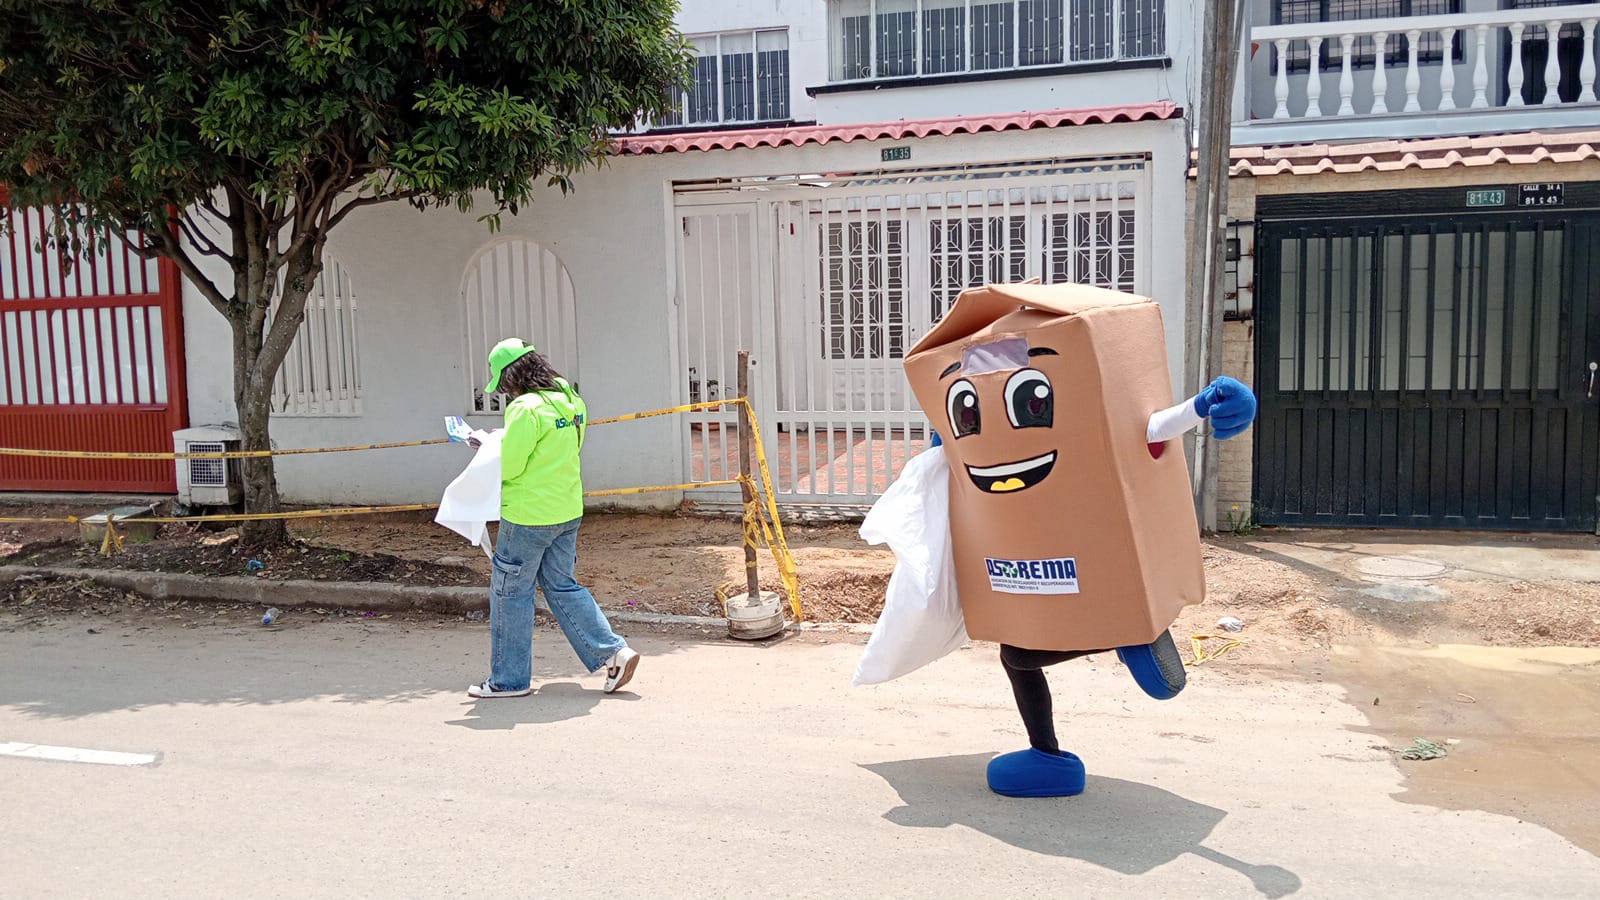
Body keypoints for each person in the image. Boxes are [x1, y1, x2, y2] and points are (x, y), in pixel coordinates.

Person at [467, 338, 639, 699]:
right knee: (562, 585)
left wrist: (488, 447)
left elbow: (512, 466)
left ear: (511, 376)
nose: (505, 391)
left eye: (503, 383)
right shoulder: (570, 399)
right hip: (567, 509)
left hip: (528, 515)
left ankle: (508, 681)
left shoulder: (524, 408)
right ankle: (613, 651)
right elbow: (565, 447)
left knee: (510, 593)